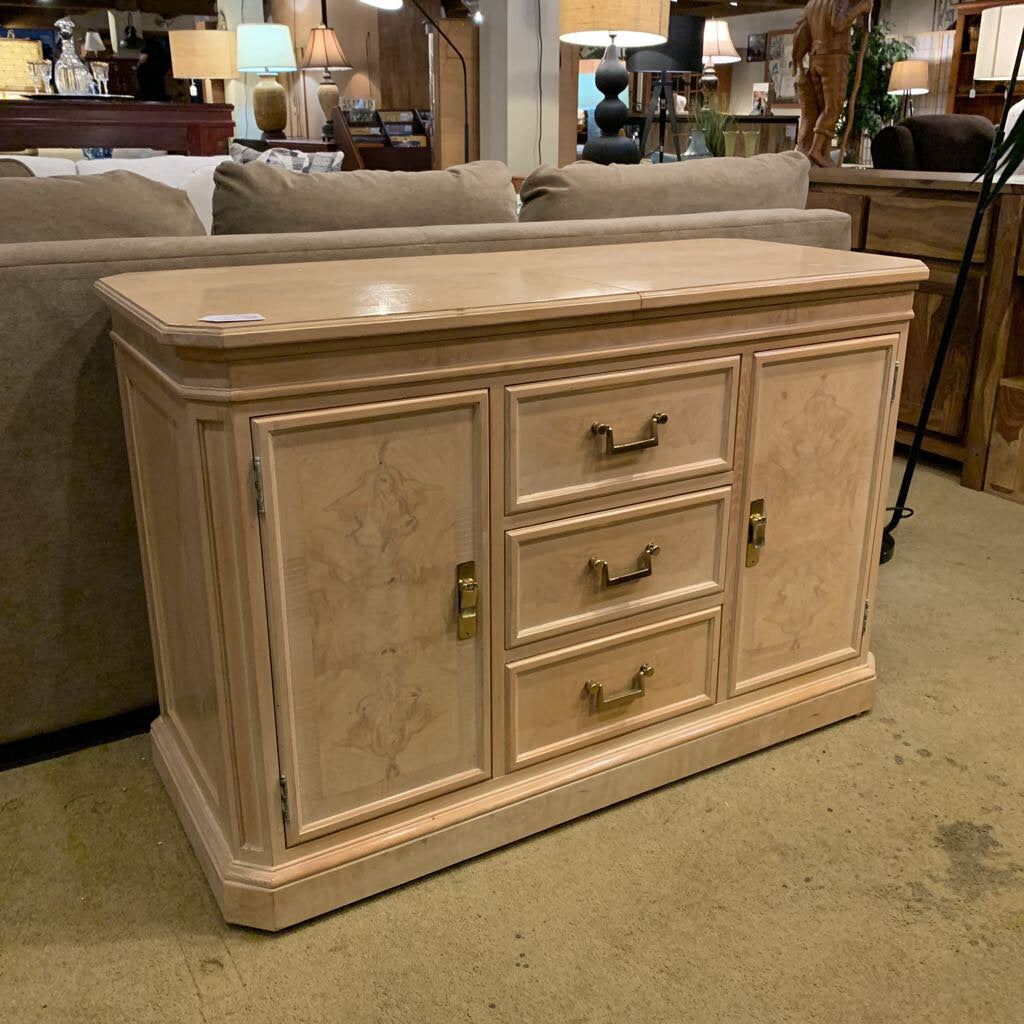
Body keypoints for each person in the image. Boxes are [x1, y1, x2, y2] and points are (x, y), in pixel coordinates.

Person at [793, 0, 873, 166]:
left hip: (816, 58)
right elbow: (838, 23)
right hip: (834, 57)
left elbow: (802, 33)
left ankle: (823, 152)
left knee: (823, 108)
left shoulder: (812, 4)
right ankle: (816, 150)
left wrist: (798, 60)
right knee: (833, 108)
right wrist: (861, 7)